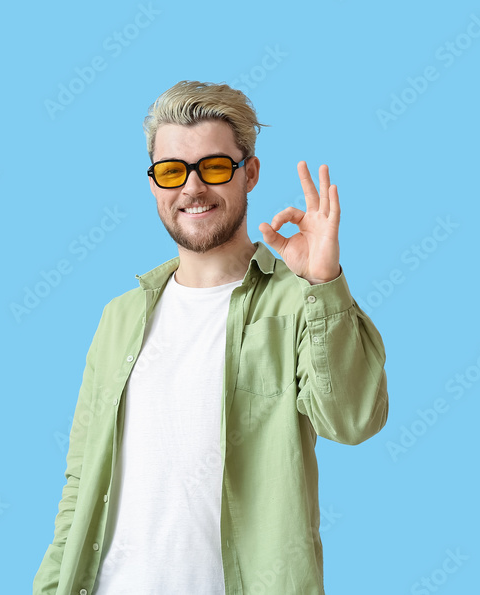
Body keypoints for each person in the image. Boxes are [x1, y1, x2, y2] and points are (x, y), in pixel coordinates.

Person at [33, 81, 388, 595]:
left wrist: (323, 284)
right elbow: (80, 485)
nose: (192, 188)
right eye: (173, 171)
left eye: (215, 167)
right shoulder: (119, 317)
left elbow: (353, 420)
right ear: (155, 183)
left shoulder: (300, 302)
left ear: (250, 174)